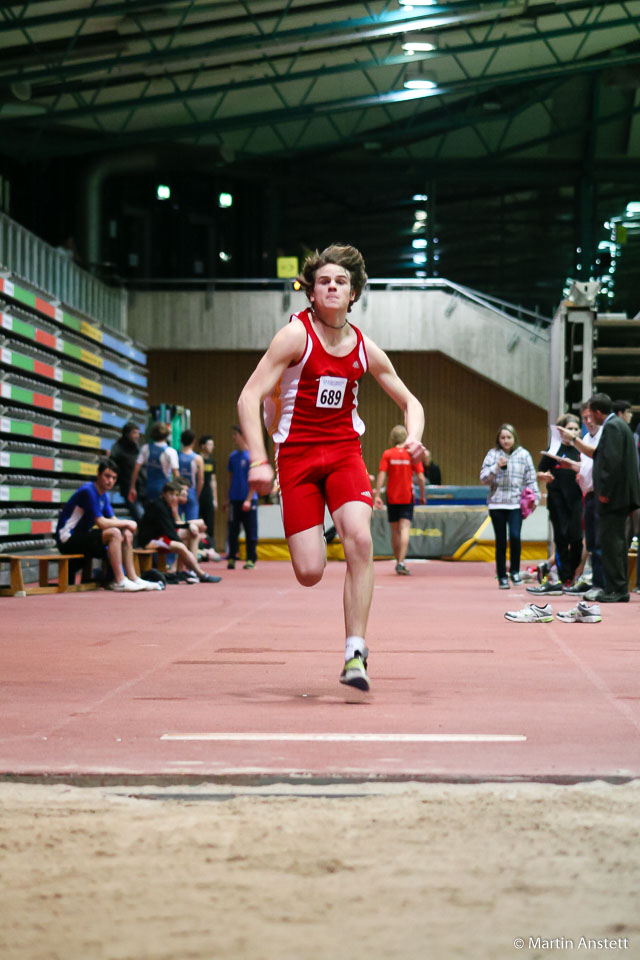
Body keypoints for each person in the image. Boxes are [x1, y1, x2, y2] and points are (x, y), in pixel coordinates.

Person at [237, 243, 425, 692]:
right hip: (297, 457)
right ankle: (322, 525)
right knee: (309, 572)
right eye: (323, 281)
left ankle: (355, 650)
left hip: (343, 452)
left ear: (354, 292)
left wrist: (414, 436)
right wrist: (259, 460)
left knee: (360, 540)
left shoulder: (363, 348)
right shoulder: (294, 337)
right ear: (311, 292)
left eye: (341, 281)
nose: (332, 287)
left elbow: (409, 400)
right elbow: (247, 396)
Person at [55, 458, 157, 592]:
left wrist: (126, 528)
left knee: (124, 533)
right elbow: (102, 523)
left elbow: (113, 520)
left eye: (114, 478)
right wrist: (128, 522)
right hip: (67, 538)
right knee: (114, 533)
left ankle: (133, 578)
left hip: (82, 537)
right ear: (98, 475)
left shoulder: (104, 496)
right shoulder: (88, 491)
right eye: (107, 476)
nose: (110, 481)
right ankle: (120, 580)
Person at [587, 393, 640, 602]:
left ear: (598, 412)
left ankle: (617, 589)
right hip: (620, 496)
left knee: (612, 543)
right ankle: (616, 587)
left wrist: (605, 493)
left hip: (614, 497)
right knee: (615, 542)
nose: (590, 418)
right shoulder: (619, 425)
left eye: (591, 413)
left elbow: (611, 462)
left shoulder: (612, 427)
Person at [528, 414, 583, 597]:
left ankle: (571, 573)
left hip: (576, 499)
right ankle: (565, 578)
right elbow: (540, 470)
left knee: (576, 539)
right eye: (570, 428)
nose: (573, 432)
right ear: (562, 431)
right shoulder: (553, 450)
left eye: (576, 429)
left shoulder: (582, 451)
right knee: (561, 538)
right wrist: (543, 476)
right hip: (557, 500)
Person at [480, 423, 540, 589]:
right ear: (498, 439)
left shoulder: (524, 455)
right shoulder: (493, 455)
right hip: (497, 504)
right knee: (500, 540)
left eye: (509, 437)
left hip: (515, 504)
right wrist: (496, 467)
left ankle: (514, 570)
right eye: (503, 438)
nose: (506, 441)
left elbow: (531, 479)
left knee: (514, 536)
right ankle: (501, 575)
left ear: (514, 438)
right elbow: (483, 478)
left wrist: (536, 498)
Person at [137, 481, 222, 584]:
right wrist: (184, 548)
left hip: (159, 535)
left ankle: (191, 572)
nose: (174, 498)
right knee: (181, 547)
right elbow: (169, 530)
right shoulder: (158, 506)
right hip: (148, 540)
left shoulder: (167, 505)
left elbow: (172, 525)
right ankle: (202, 574)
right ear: (164, 494)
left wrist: (188, 526)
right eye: (171, 494)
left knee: (191, 533)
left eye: (176, 495)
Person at [373, 424, 425, 575]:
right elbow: (421, 477)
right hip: (407, 496)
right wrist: (422, 495)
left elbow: (381, 474)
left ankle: (398, 561)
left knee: (395, 530)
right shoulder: (412, 454)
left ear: (392, 438)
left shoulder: (388, 454)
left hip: (392, 497)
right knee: (404, 529)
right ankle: (401, 562)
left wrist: (377, 495)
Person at [226, 425, 258, 570]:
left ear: (242, 435)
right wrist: (227, 498)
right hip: (234, 499)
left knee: (250, 530)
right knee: (233, 529)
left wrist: (249, 498)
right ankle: (232, 557)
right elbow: (230, 478)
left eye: (235, 435)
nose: (233, 438)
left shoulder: (252, 456)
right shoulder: (232, 456)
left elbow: (255, 479)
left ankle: (251, 559)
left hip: (249, 500)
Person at [129, 421, 179, 507]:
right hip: (164, 489)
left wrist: (132, 487)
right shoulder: (170, 452)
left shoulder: (145, 448)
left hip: (149, 488)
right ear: (167, 434)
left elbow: (136, 468)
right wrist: (177, 493)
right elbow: (176, 474)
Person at [109, 421, 144, 523]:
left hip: (141, 487)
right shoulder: (118, 448)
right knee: (141, 516)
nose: (137, 436)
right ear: (127, 434)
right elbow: (113, 466)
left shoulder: (136, 448)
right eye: (134, 433)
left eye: (138, 433)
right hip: (128, 488)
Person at [178, 429, 204, 521]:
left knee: (175, 523)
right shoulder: (198, 458)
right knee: (192, 524)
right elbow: (201, 480)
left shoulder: (176, 455)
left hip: (177, 492)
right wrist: (196, 496)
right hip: (191, 492)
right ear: (194, 441)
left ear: (181, 440)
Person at [197, 435, 219, 543]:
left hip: (208, 494)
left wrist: (215, 499)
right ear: (203, 446)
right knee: (197, 521)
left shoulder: (212, 461)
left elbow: (213, 480)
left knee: (209, 522)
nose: (212, 447)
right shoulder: (196, 458)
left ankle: (210, 547)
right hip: (197, 494)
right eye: (210, 444)